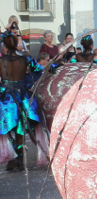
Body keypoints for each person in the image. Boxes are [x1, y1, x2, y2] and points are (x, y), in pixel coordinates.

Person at [0, 31, 49, 170]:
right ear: (16, 44)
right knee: (21, 128)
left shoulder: (1, 60)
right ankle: (20, 157)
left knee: (9, 128)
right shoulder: (26, 58)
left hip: (7, 99)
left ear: (4, 44)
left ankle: (15, 157)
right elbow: (38, 69)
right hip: (23, 96)